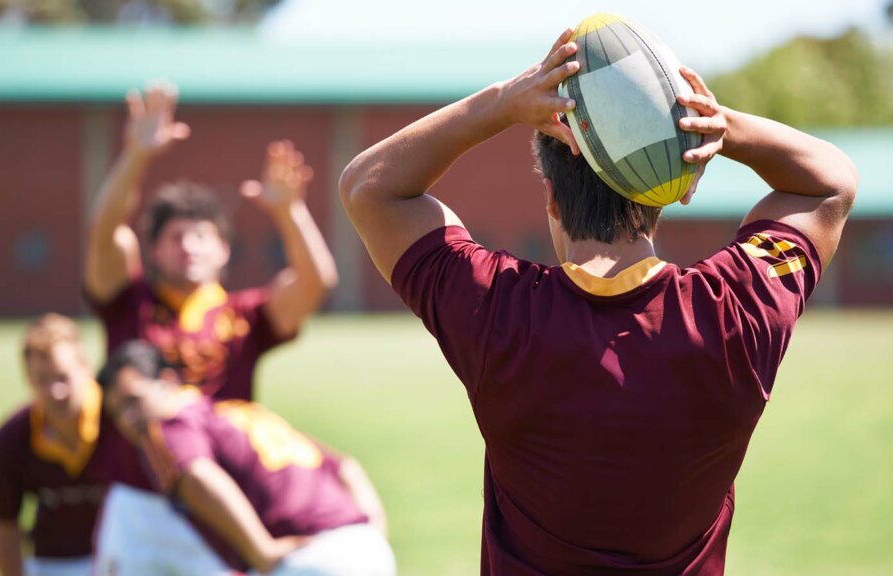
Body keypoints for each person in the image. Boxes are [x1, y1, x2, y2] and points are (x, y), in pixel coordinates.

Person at [339, 28, 857, 575]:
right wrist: (716, 125)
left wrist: (500, 104)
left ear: (551, 198)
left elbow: (369, 187)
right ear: (672, 188)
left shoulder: (496, 310)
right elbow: (830, 184)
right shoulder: (737, 308)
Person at [83, 84, 340, 572]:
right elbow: (104, 230)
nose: (190, 246)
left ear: (224, 250)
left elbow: (316, 281)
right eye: (175, 237)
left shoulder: (243, 315)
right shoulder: (128, 300)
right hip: (138, 501)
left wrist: (290, 213)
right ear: (153, 250)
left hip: (220, 500)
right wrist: (136, 156)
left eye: (203, 236)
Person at [96, 340, 395, 576]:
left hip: (308, 560)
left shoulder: (170, 424)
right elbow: (346, 466)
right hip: (367, 550)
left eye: (133, 401)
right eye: (117, 412)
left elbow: (197, 475)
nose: (128, 418)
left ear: (168, 381)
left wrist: (260, 550)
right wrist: (373, 533)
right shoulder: (236, 412)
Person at [0, 314, 110, 576]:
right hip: (53, 563)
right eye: (42, 380)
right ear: (28, 378)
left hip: (120, 557)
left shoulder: (118, 422)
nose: (55, 391)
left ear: (86, 368)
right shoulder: (14, 436)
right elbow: (4, 524)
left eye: (62, 377)